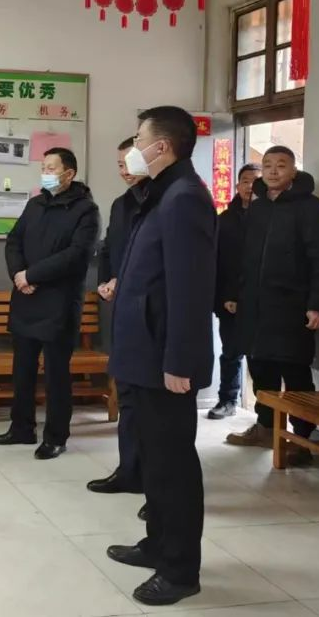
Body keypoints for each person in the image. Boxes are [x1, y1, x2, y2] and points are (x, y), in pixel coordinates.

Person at [105, 106, 216, 607]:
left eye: (138, 139)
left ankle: (179, 569)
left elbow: (191, 289)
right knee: (153, 459)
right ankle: (157, 544)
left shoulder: (185, 197)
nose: (133, 148)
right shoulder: (161, 192)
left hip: (164, 361)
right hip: (143, 353)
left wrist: (180, 362)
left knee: (173, 466)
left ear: (162, 146)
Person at [226, 147, 319, 458]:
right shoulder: (258, 208)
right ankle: (266, 428)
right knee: (261, 368)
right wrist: (234, 294)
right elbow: (244, 258)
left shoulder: (311, 208)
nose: (273, 171)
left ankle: (301, 440)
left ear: (293, 171)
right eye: (267, 165)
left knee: (295, 374)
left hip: (292, 308)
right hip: (255, 307)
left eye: (281, 165)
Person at [0, 147, 99, 459]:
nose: (45, 173)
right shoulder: (35, 204)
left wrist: (32, 275)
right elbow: (13, 241)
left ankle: (56, 436)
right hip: (25, 298)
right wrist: (18, 275)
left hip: (59, 303)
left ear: (69, 173)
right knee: (22, 370)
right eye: (43, 167)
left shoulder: (86, 210)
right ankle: (21, 428)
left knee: (56, 374)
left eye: (51, 168)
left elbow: (76, 255)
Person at [88, 137, 148, 496]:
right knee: (126, 393)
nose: (124, 171)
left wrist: (122, 280)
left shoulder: (165, 202)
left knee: (150, 405)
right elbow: (110, 248)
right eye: (120, 165)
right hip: (122, 308)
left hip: (148, 312)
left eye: (130, 163)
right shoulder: (122, 204)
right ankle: (128, 470)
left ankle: (154, 480)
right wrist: (105, 283)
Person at [207, 163, 260, 420]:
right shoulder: (225, 220)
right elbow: (219, 262)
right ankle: (227, 399)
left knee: (260, 357)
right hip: (229, 300)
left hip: (261, 301)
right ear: (237, 186)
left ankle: (265, 412)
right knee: (231, 352)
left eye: (255, 182)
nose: (250, 186)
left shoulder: (270, 217)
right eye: (245, 181)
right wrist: (225, 296)